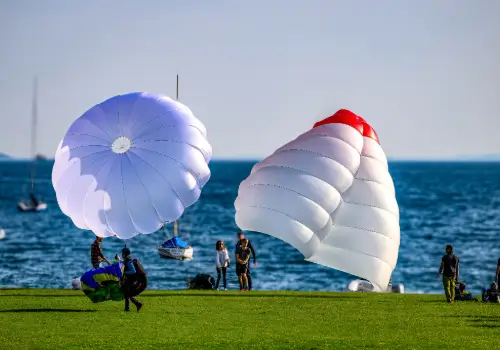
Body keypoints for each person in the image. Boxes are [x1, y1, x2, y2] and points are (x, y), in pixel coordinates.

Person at [121, 246, 145, 312]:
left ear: (124, 253)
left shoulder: (128, 261)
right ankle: (137, 304)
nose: (122, 254)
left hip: (132, 280)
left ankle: (128, 309)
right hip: (130, 279)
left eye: (122, 253)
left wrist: (124, 272)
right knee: (127, 294)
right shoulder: (127, 259)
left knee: (127, 294)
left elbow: (133, 271)